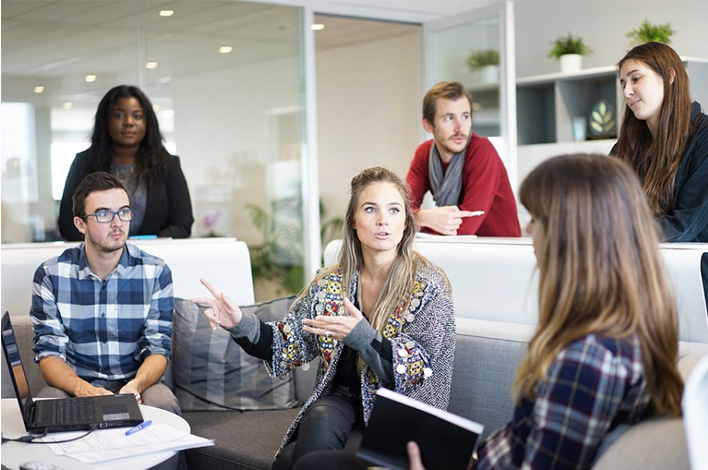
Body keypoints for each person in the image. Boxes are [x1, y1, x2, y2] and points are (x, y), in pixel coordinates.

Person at [303, 154, 685, 470]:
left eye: (536, 219)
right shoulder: (623, 335)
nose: (529, 231)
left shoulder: (587, 361)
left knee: (312, 465)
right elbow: (526, 442)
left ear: (573, 236)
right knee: (306, 458)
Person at [191, 166, 456, 469]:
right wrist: (240, 323)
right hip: (342, 399)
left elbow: (418, 369)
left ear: (406, 223)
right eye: (370, 209)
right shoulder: (331, 282)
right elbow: (288, 343)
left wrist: (362, 336)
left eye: (394, 210)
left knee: (292, 460)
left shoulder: (430, 285)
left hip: (401, 409)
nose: (383, 219)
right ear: (353, 222)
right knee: (317, 418)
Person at [31, 172, 180, 415]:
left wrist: (135, 386)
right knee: (45, 405)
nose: (117, 223)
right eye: (103, 214)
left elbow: (158, 348)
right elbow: (49, 353)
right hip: (75, 384)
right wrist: (83, 389)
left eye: (123, 211)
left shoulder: (155, 272)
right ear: (81, 224)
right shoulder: (51, 275)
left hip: (137, 383)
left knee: (163, 404)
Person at [58, 85, 194, 241]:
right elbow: (68, 224)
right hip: (99, 260)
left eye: (137, 116)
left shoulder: (167, 165)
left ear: (147, 122)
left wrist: (142, 247)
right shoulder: (84, 163)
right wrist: (108, 245)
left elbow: (182, 224)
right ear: (106, 120)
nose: (129, 122)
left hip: (154, 258)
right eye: (119, 115)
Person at [613, 41, 708, 242]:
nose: (626, 92)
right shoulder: (625, 146)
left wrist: (615, 233)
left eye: (635, 79)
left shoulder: (704, 138)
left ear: (669, 76)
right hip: (636, 265)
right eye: (623, 84)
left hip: (693, 271)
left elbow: (684, 226)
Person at [406, 81, 520, 237]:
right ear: (428, 125)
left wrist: (415, 220)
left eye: (465, 116)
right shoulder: (424, 154)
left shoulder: (482, 151)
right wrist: (423, 217)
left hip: (499, 251)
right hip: (457, 250)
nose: (460, 128)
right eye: (449, 118)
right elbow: (400, 211)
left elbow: (465, 227)